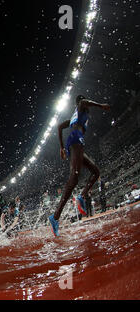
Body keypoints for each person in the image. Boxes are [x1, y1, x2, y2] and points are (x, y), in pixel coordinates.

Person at [49, 95, 110, 236]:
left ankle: (81, 196)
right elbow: (83, 101)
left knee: (95, 171)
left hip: (77, 140)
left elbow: (59, 126)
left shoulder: (75, 117)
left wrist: (61, 147)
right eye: (85, 104)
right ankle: (55, 216)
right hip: (76, 138)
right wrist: (101, 105)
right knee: (74, 177)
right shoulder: (81, 106)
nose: (86, 105)